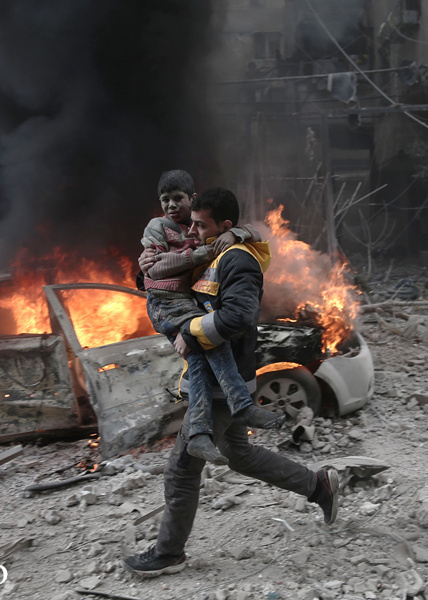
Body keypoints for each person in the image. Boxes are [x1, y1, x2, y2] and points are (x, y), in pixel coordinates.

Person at [124, 187, 340, 578]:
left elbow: (238, 317)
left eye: (199, 224)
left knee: (181, 469)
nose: (191, 230)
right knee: (238, 453)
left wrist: (190, 334)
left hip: (225, 386)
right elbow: (179, 282)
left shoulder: (238, 260)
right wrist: (147, 268)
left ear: (223, 225)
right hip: (219, 379)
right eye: (191, 223)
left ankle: (169, 553)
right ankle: (317, 486)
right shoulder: (213, 250)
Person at [141, 170, 284, 466]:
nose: (171, 205)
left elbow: (236, 314)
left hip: (224, 369)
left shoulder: (232, 255)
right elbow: (152, 270)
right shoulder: (164, 228)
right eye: (165, 200)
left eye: (177, 199)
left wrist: (236, 234)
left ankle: (317, 484)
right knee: (197, 466)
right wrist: (145, 270)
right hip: (169, 304)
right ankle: (226, 417)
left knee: (235, 454)